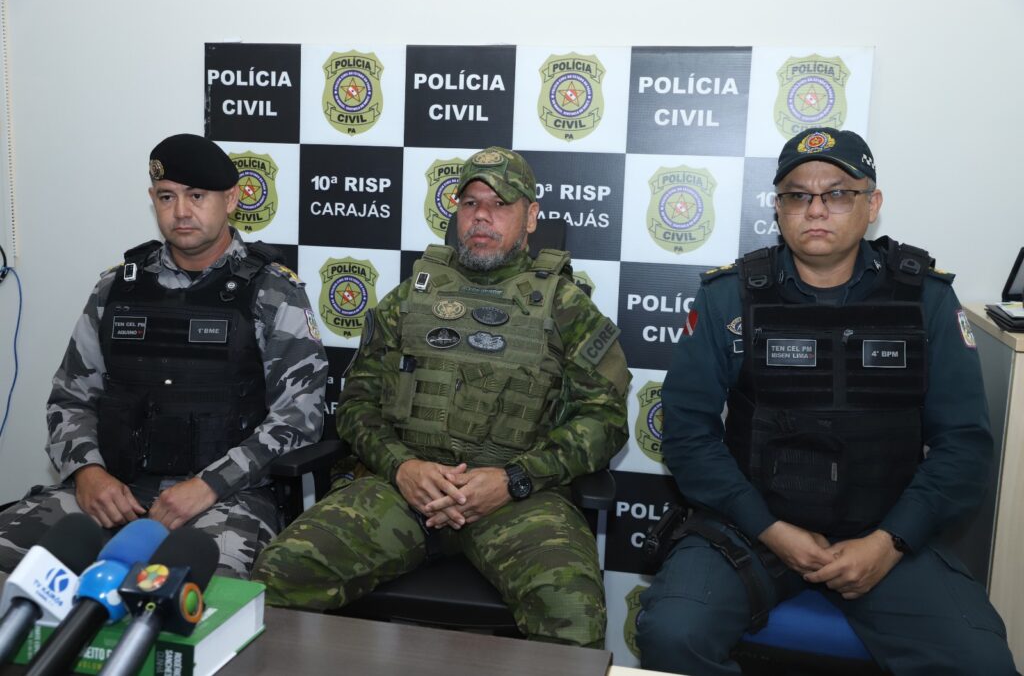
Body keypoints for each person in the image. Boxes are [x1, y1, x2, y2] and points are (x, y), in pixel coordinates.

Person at [637, 128, 1019, 675]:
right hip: (751, 529)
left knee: (981, 663)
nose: (816, 209)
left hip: (885, 533)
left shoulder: (926, 301)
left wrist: (888, 542)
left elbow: (964, 445)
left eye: (838, 193)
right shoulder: (729, 296)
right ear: (778, 207)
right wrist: (770, 529)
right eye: (798, 195)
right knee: (673, 635)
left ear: (872, 205)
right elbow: (688, 434)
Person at [252, 146, 631, 648]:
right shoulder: (412, 296)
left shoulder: (567, 307)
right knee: (278, 573)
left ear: (531, 217)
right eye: (470, 203)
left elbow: (603, 421)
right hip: (404, 490)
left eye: (500, 205)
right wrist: (402, 467)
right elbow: (358, 403)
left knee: (572, 612)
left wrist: (514, 479)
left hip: (517, 500)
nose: (482, 216)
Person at [0, 134, 328, 578]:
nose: (181, 212)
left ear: (230, 199)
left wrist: (209, 485)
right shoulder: (116, 289)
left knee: (198, 598)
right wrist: (87, 473)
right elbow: (70, 399)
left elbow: (298, 420)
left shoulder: (273, 292)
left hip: (224, 500)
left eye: (197, 196)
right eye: (166, 197)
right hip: (114, 491)